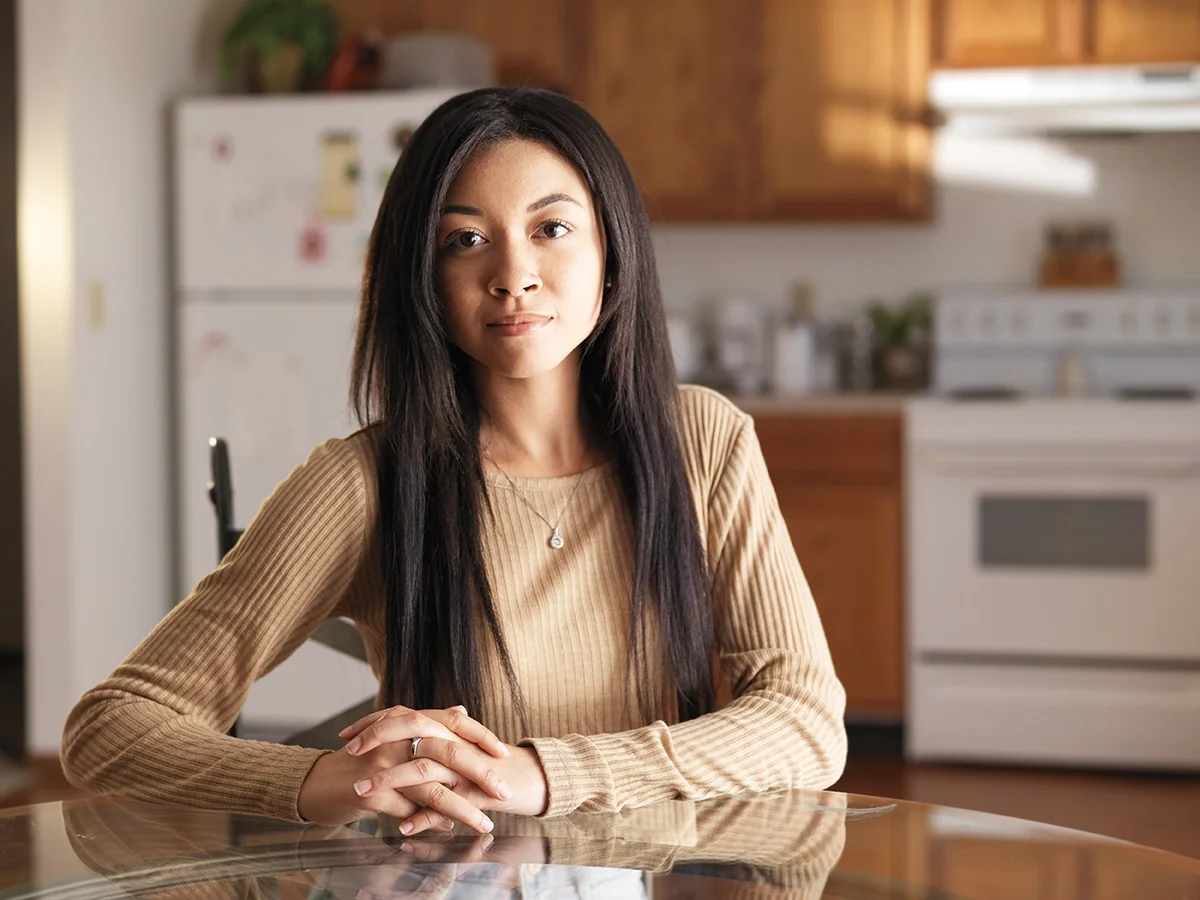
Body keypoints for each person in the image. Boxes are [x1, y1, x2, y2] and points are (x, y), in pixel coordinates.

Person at [60, 87, 847, 834]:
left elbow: (807, 722)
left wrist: (544, 776)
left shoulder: (703, 441)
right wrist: (323, 781)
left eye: (552, 228)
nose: (512, 276)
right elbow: (111, 727)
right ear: (423, 279)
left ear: (613, 249)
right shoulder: (364, 481)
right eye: (464, 240)